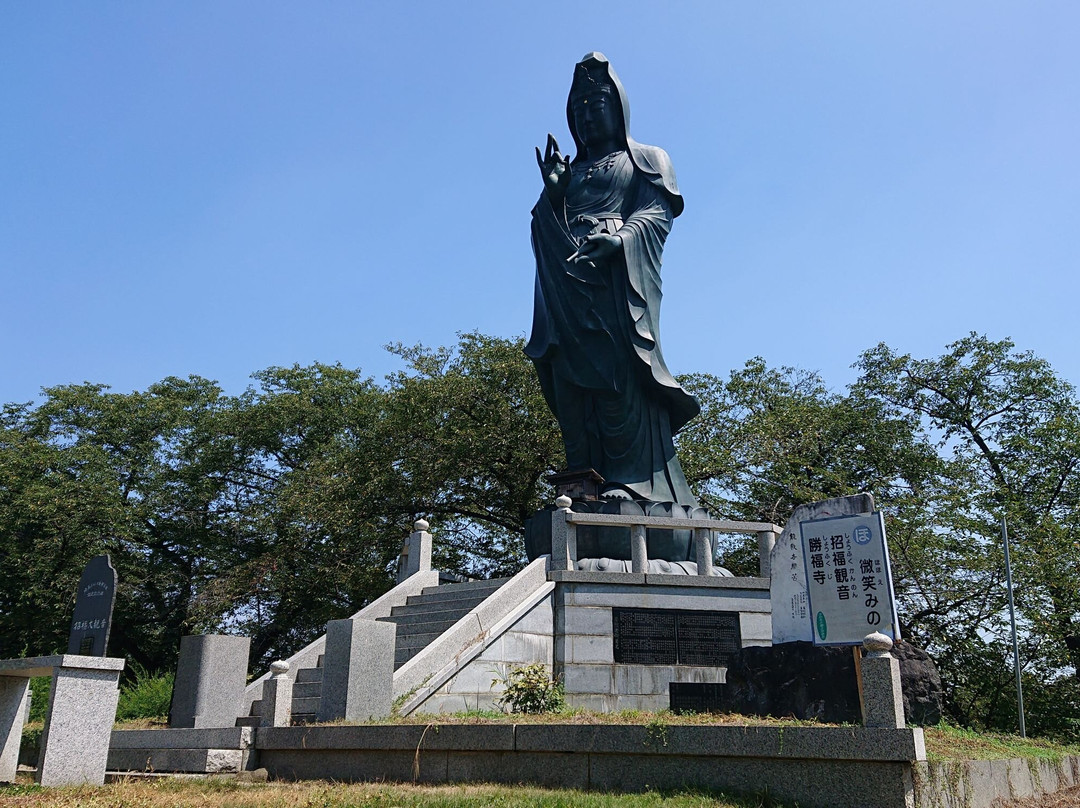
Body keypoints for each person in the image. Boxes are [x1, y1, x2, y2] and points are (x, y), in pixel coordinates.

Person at [526, 52, 700, 506]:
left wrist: (621, 240)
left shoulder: (645, 159)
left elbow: (657, 214)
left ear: (619, 107)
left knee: (619, 381)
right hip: (566, 290)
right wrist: (554, 196)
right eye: (578, 108)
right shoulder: (570, 171)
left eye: (596, 104)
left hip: (616, 288)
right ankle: (580, 481)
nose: (586, 115)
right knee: (570, 383)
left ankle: (635, 483)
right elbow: (540, 227)